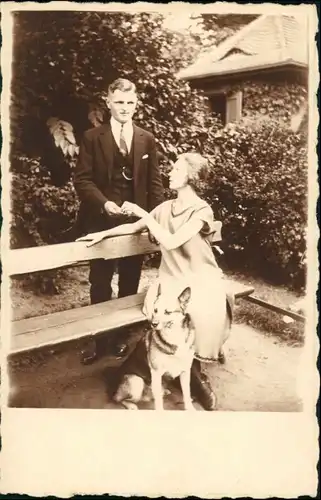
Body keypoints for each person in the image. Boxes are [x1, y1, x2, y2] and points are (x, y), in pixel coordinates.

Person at [78, 152, 234, 411]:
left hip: (200, 277)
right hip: (171, 280)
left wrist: (142, 212)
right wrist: (100, 234)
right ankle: (189, 375)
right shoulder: (165, 208)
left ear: (191, 177)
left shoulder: (202, 210)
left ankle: (195, 376)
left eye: (176, 169)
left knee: (201, 308)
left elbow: (173, 241)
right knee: (167, 309)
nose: (169, 173)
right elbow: (133, 227)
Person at [74, 78, 164, 363]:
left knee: (129, 281)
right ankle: (100, 340)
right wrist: (104, 204)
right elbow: (83, 180)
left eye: (130, 103)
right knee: (100, 282)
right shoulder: (91, 137)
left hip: (135, 225)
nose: (125, 108)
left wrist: (152, 220)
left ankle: (121, 336)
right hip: (100, 222)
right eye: (119, 102)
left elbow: (155, 184)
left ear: (136, 104)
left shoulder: (146, 138)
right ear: (108, 103)